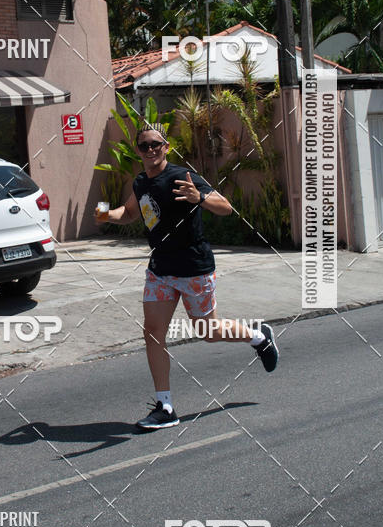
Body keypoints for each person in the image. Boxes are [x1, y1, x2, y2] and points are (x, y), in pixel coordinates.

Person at [95, 124, 278, 431]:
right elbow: (129, 213)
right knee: (152, 332)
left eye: (156, 144)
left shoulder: (182, 177)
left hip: (194, 268)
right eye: (144, 146)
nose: (151, 149)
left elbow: (226, 207)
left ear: (166, 147)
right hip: (160, 271)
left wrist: (199, 198)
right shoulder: (141, 182)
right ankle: (165, 406)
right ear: (138, 150)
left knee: (209, 331)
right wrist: (107, 215)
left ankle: (259, 337)